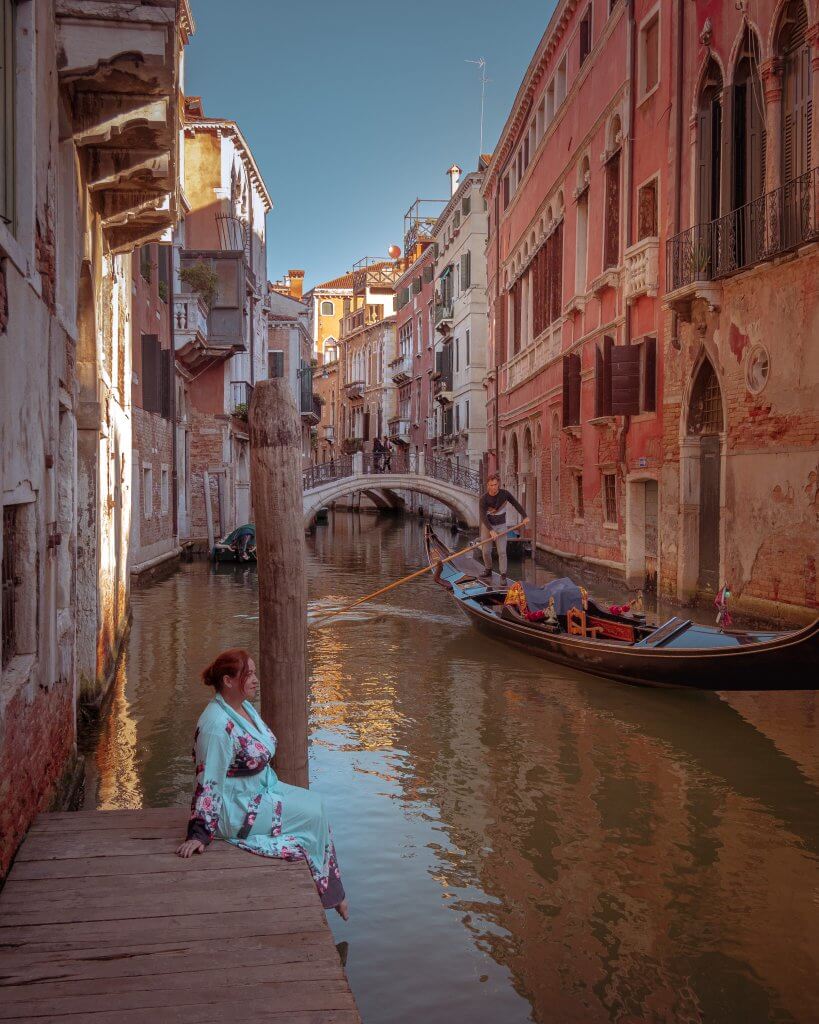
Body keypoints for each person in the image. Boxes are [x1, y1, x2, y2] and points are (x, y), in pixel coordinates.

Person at [177, 649, 348, 920]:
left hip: (261, 790)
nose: (256, 680)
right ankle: (330, 893)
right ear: (228, 681)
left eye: (255, 672)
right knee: (312, 815)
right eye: (249, 674)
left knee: (316, 804)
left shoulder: (242, 708)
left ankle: (330, 891)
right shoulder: (217, 726)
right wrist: (198, 833)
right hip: (236, 809)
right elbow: (208, 781)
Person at [479, 473, 529, 586]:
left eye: (495, 485)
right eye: (491, 485)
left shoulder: (505, 494)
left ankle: (503, 575)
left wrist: (525, 516)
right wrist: (491, 530)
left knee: (502, 552)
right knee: (486, 551)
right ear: (488, 485)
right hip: (487, 526)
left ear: (499, 484)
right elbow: (482, 516)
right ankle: (488, 570)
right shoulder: (483, 499)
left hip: (501, 526)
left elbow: (516, 504)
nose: (493, 487)